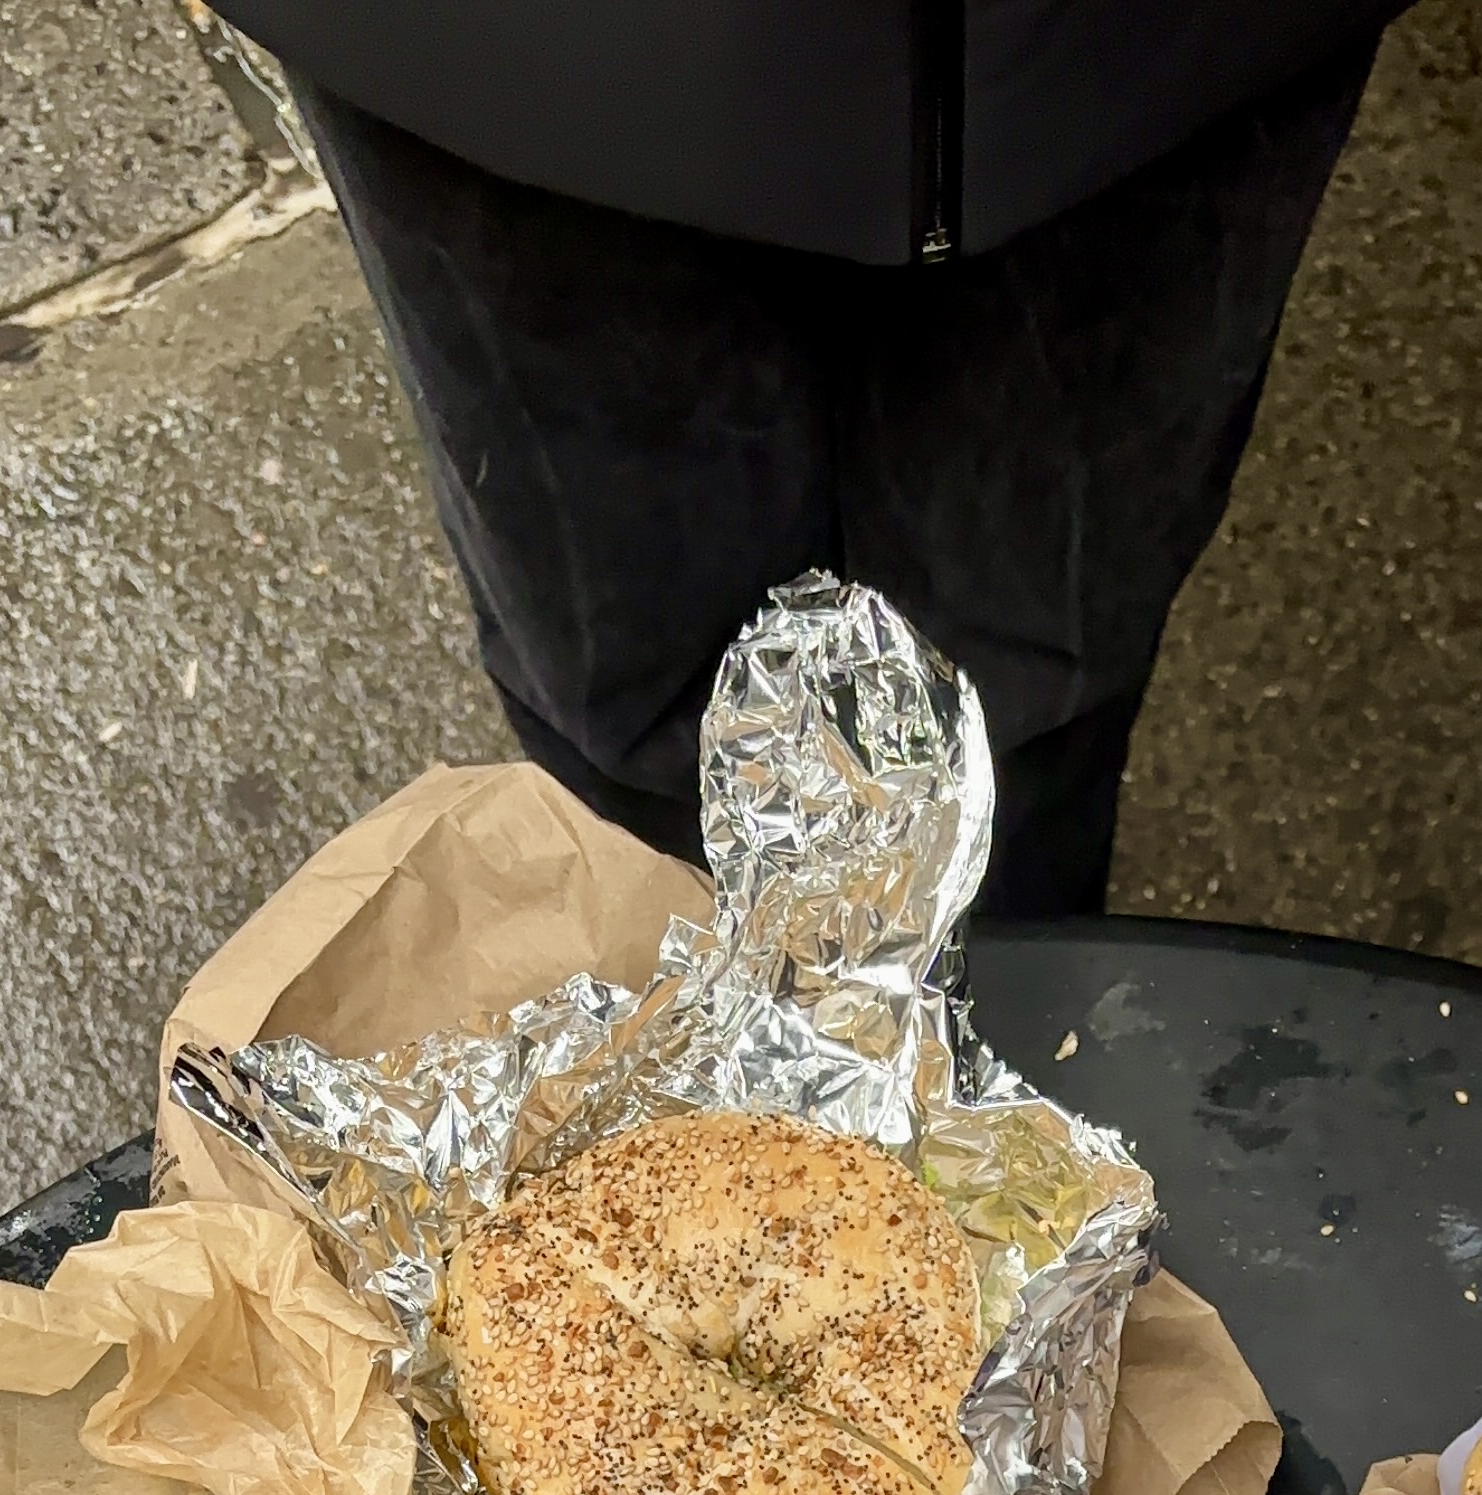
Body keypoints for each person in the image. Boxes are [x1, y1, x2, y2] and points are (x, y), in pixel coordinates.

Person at [226, 0, 1399, 913]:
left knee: (1026, 699)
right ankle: (679, 1081)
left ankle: (1004, 1080)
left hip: (1156, 57)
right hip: (496, 57)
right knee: (638, 699)